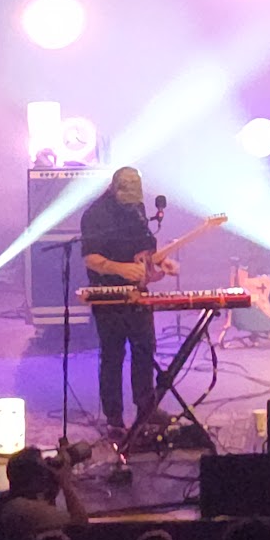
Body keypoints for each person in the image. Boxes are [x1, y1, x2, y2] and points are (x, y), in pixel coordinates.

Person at [79, 165, 179, 434]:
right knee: (113, 354)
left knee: (144, 348)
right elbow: (90, 258)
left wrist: (160, 263)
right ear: (113, 188)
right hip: (107, 293)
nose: (131, 204)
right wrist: (121, 268)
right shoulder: (95, 215)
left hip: (137, 293)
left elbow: (144, 249)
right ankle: (113, 418)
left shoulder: (137, 209)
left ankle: (146, 407)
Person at [0, 445, 89, 540]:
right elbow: (80, 523)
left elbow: (48, 514)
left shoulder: (10, 501)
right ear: (34, 479)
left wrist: (53, 486)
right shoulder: (23, 509)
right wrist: (66, 483)